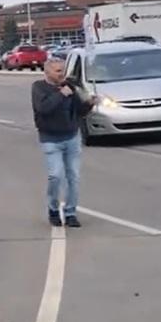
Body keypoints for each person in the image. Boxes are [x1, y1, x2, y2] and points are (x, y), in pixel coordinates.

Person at [31, 58, 96, 228]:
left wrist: (89, 104)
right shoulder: (39, 88)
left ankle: (70, 213)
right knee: (55, 176)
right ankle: (53, 209)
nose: (61, 74)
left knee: (73, 177)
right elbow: (43, 109)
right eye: (58, 71)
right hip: (51, 139)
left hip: (72, 138)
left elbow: (80, 111)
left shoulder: (70, 87)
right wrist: (61, 94)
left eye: (62, 70)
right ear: (47, 72)